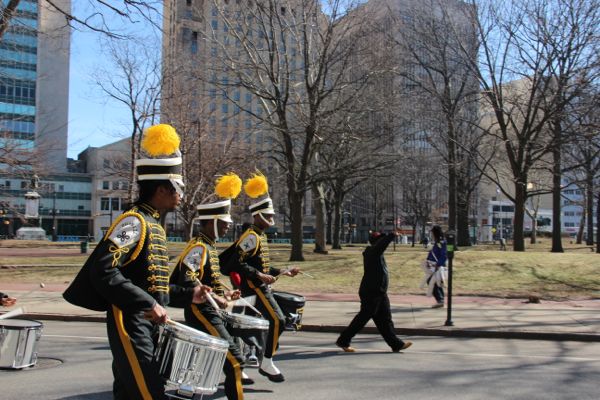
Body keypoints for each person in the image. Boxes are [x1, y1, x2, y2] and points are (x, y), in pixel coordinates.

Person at [63, 124, 208, 400]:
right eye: (178, 188)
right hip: (130, 321)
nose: (181, 195)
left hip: (147, 324)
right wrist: (148, 304)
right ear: (162, 189)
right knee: (150, 393)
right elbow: (103, 270)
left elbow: (151, 287)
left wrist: (191, 294)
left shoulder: (152, 223)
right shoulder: (134, 221)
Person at [169, 173, 251, 400]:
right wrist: (215, 298)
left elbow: (207, 280)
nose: (227, 228)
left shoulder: (208, 246)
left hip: (210, 310)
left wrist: (224, 293)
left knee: (213, 359)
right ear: (212, 222)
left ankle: (186, 391)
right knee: (235, 360)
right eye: (224, 224)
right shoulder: (198, 248)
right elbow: (189, 282)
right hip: (202, 311)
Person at [223, 172, 299, 383]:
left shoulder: (259, 236)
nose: (273, 219)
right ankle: (266, 360)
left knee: (239, 326)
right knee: (278, 320)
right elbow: (235, 263)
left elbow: (260, 265)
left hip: (255, 285)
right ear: (258, 215)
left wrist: (283, 271)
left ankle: (240, 364)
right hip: (253, 287)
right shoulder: (251, 236)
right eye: (270, 215)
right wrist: (259, 276)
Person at [336, 230, 412, 353]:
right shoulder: (372, 251)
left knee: (385, 320)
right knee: (363, 318)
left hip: (380, 292)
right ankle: (343, 340)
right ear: (376, 242)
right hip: (371, 292)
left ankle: (396, 344)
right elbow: (382, 245)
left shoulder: (377, 253)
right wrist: (391, 235)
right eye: (380, 240)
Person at [423, 225, 447, 308]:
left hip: (438, 266)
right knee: (436, 282)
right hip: (433, 265)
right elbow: (432, 253)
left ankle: (440, 300)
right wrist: (427, 261)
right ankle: (441, 300)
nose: (432, 235)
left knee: (431, 281)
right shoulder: (437, 242)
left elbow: (444, 255)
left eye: (432, 233)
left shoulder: (441, 242)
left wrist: (438, 264)